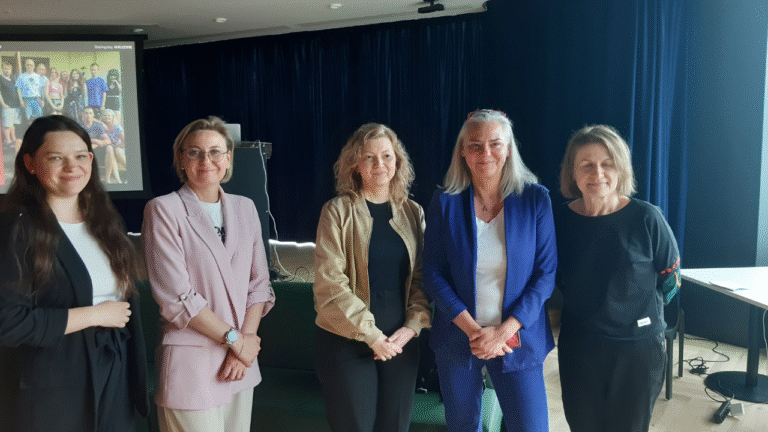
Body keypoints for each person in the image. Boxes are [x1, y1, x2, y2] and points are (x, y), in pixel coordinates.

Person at [0, 115, 149, 431]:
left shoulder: (105, 223)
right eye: (56, 158)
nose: (72, 167)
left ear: (92, 160)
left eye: (81, 156)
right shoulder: (17, 228)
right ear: (29, 163)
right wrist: (95, 315)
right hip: (53, 390)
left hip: (113, 375)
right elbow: (8, 322)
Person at [423, 110, 557, 432]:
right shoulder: (445, 202)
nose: (486, 153)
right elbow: (432, 272)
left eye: (495, 144)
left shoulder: (535, 199)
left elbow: (545, 274)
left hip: (517, 335)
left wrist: (503, 331)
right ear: (463, 152)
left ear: (508, 149)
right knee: (463, 426)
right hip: (459, 335)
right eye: (475, 145)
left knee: (531, 427)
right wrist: (475, 332)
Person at [142, 116, 274, 432]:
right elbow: (178, 298)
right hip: (191, 363)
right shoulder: (163, 209)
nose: (206, 161)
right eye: (195, 152)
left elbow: (259, 285)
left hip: (240, 364)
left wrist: (245, 346)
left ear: (228, 158)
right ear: (181, 159)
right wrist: (236, 341)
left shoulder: (246, 208)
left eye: (215, 152)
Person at [554, 125, 680, 432]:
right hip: (579, 347)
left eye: (607, 164)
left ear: (620, 168)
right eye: (586, 165)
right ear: (572, 172)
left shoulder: (647, 218)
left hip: (637, 350)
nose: (597, 173)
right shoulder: (557, 220)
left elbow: (671, 279)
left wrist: (640, 314)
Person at [313, 123, 431, 432]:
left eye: (387, 156)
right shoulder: (337, 211)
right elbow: (329, 283)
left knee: (395, 426)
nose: (380, 164)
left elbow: (422, 280)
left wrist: (412, 326)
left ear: (398, 161)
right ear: (355, 163)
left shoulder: (413, 212)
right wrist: (372, 336)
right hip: (347, 341)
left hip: (400, 342)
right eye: (369, 157)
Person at [0, 61, 21, 147]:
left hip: (15, 105)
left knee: (12, 124)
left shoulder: (12, 79)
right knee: (7, 125)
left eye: (8, 68)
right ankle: (8, 141)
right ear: (2, 69)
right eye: (5, 68)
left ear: (11, 69)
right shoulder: (0, 78)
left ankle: (13, 139)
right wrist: (3, 104)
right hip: (7, 105)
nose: (7, 70)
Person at [102, 109, 126, 184]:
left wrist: (115, 146)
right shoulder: (102, 127)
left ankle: (131, 172)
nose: (107, 117)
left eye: (109, 115)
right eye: (105, 115)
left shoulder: (117, 127)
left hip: (120, 147)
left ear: (112, 116)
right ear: (102, 117)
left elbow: (124, 143)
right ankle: (118, 180)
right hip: (110, 148)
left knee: (117, 150)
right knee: (110, 150)